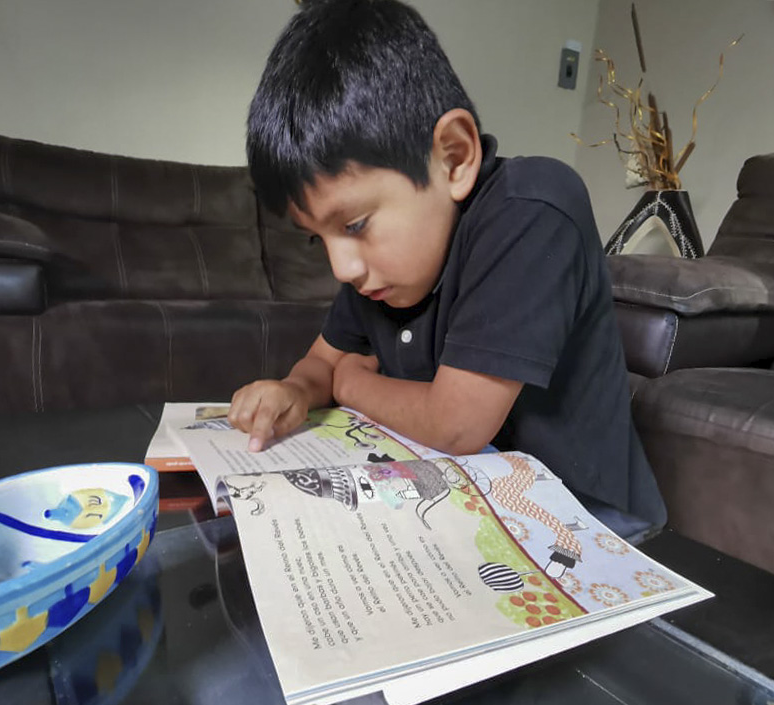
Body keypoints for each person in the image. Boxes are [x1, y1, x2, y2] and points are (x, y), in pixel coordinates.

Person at [228, 0, 666, 540]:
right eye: (320, 239)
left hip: (584, 518)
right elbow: (323, 361)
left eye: (356, 224)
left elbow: (456, 425)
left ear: (454, 158)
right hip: (471, 499)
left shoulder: (532, 209)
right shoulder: (381, 275)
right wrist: (295, 389)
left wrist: (350, 384)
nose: (342, 267)